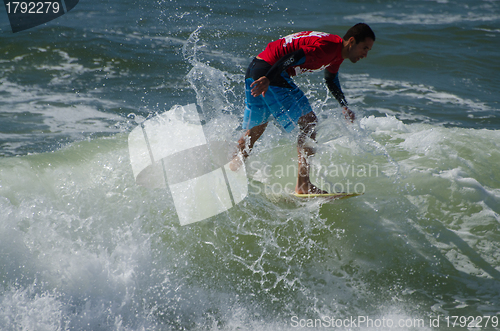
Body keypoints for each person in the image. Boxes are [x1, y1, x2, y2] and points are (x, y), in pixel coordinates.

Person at [230, 23, 375, 194]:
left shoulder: (336, 53)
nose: (365, 54)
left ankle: (230, 171)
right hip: (269, 73)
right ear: (352, 41)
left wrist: (344, 106)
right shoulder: (328, 48)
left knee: (257, 128)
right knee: (310, 122)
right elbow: (292, 57)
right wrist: (268, 78)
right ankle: (303, 185)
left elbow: (330, 78)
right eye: (364, 48)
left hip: (256, 68)